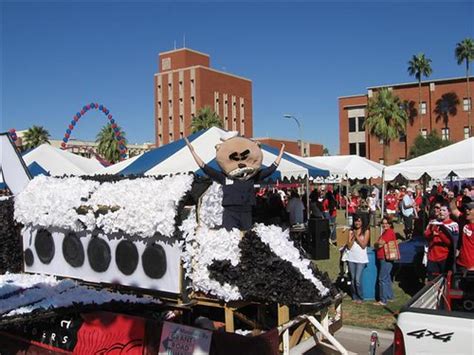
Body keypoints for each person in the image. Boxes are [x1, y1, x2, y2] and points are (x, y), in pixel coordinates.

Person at [185, 137, 285, 231]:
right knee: (229, 237)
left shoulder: (253, 177)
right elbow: (205, 168)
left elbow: (271, 169)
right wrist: (193, 151)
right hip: (230, 213)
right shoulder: (224, 177)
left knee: (245, 238)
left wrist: (281, 153)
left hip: (246, 212)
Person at [424, 203, 459, 280]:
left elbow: (452, 243)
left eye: (444, 210)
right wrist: (432, 234)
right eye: (440, 210)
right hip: (432, 256)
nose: (441, 212)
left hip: (445, 257)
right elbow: (426, 236)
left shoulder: (453, 225)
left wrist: (440, 234)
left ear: (449, 212)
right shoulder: (433, 222)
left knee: (445, 279)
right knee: (432, 281)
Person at [346, 214, 370, 303]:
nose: (357, 223)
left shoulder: (366, 231)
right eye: (356, 221)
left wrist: (356, 236)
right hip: (351, 257)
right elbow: (349, 246)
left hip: (361, 259)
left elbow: (363, 245)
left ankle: (361, 296)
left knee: (357, 280)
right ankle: (354, 296)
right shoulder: (351, 231)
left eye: (359, 221)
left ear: (362, 222)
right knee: (352, 279)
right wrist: (352, 237)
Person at [373, 217, 397, 306]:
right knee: (386, 278)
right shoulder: (386, 232)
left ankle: (383, 300)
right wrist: (377, 244)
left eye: (386, 223)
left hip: (385, 257)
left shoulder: (389, 232)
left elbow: (380, 244)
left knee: (382, 278)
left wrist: (376, 244)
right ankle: (390, 296)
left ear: (390, 224)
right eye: (383, 223)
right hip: (385, 258)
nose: (384, 225)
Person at [456, 202, 474, 271]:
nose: (467, 210)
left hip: (472, 267)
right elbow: (453, 209)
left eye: (469, 209)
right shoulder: (463, 220)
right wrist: (452, 197)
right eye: (466, 208)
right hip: (461, 264)